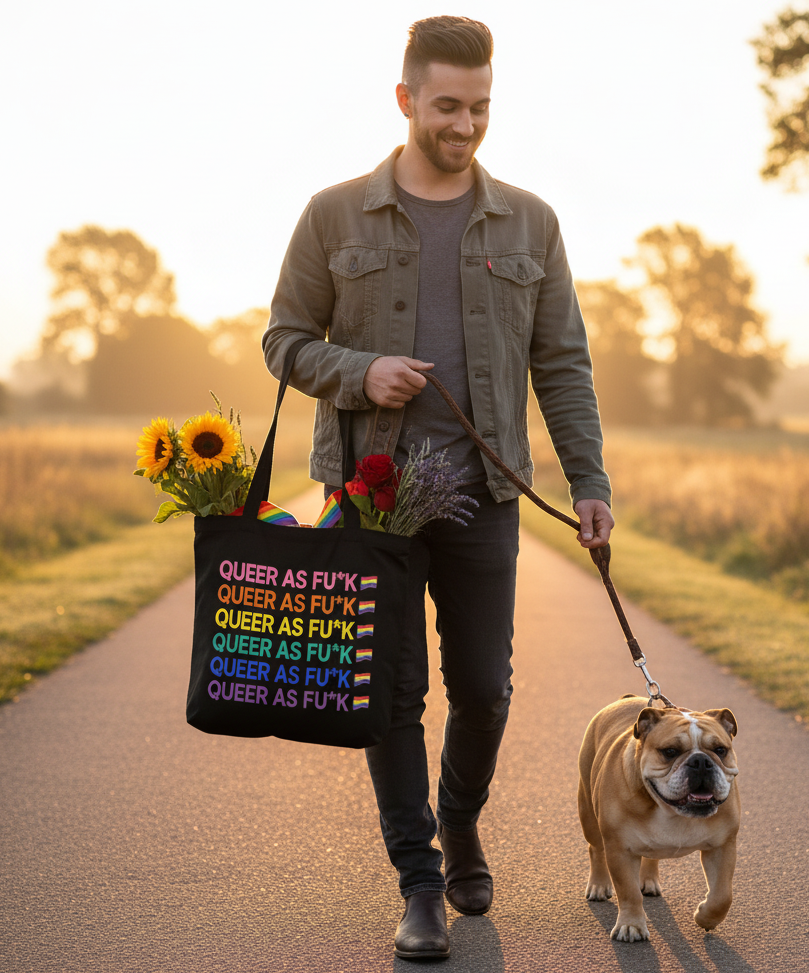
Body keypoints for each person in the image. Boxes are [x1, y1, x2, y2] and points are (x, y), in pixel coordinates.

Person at [263, 15, 613, 961]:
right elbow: (283, 340)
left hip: (483, 498)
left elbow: (563, 364)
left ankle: (458, 818)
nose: (465, 125)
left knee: (486, 690)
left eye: (481, 107)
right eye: (448, 105)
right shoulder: (333, 213)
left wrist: (590, 481)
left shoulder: (531, 220)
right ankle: (419, 881)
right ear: (406, 98)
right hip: (368, 500)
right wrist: (358, 370)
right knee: (388, 692)